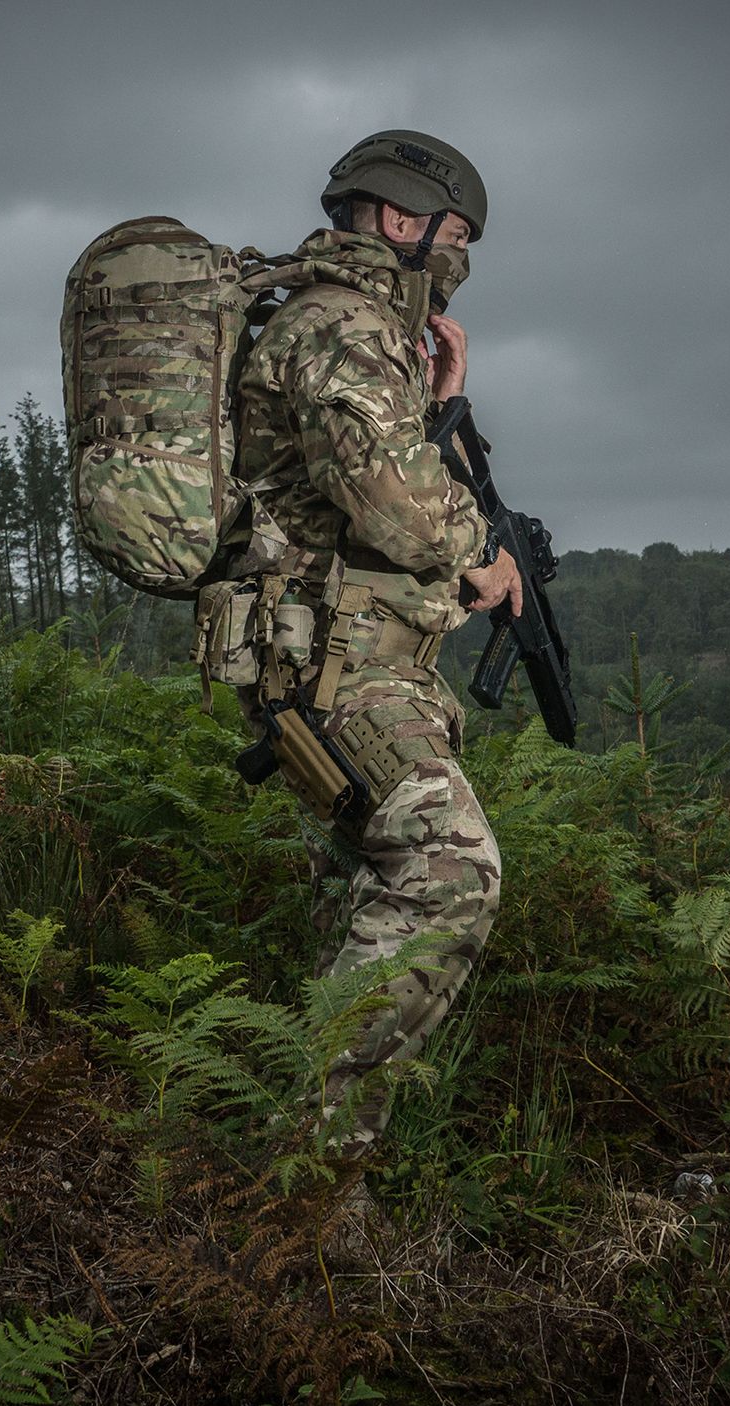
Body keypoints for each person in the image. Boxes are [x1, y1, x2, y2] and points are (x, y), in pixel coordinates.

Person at [230, 130, 523, 1155]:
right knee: (451, 865)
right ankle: (300, 1169)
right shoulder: (341, 325)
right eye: (454, 241)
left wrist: (439, 407)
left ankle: (301, 1203)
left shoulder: (346, 329)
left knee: (356, 897)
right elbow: (395, 511)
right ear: (401, 220)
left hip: (346, 659)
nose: (456, 266)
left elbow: (353, 476)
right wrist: (480, 553)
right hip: (333, 670)